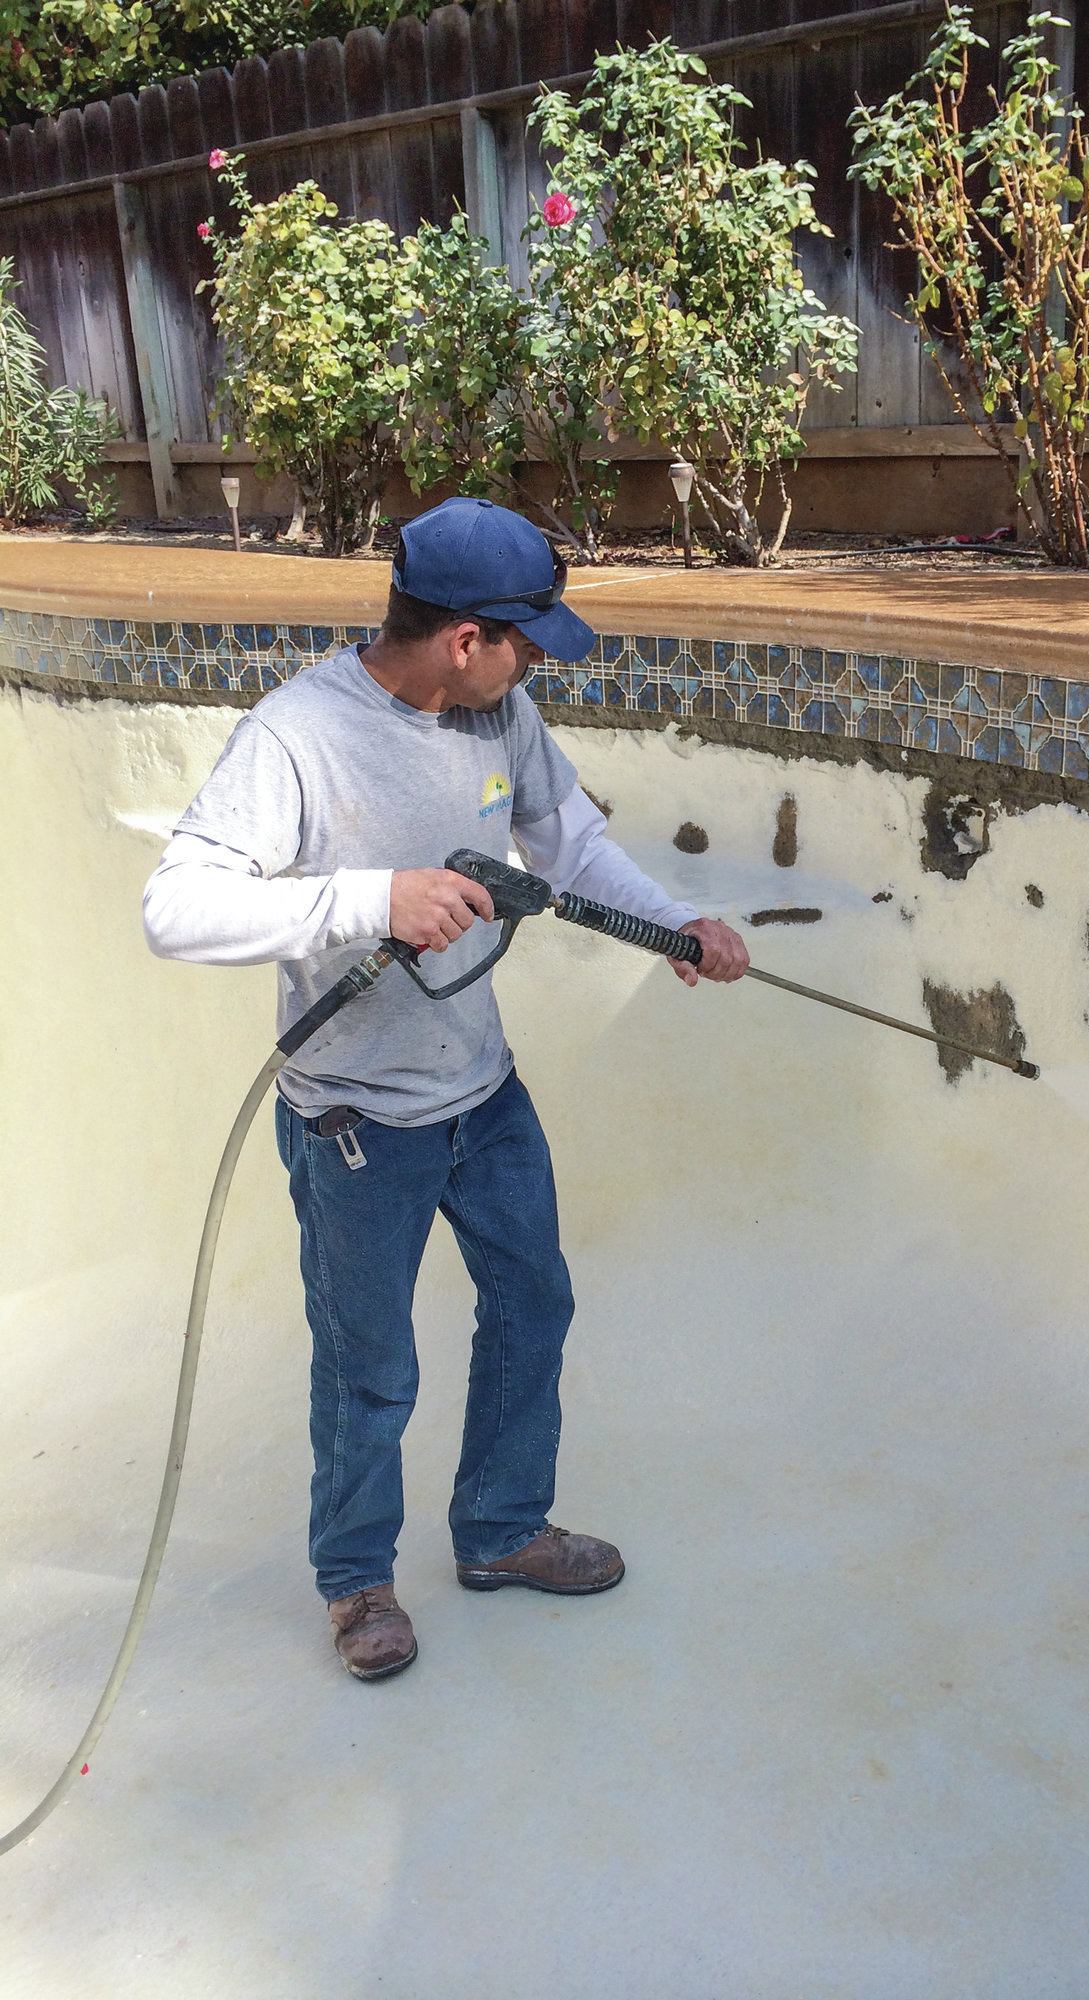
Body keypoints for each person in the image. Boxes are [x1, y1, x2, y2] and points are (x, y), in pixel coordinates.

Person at [142, 497, 749, 1682]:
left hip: (483, 1093)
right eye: (524, 640)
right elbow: (176, 908)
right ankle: (357, 1578)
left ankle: (502, 1530)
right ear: (464, 636)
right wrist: (372, 900)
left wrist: (673, 923)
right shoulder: (295, 737)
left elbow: (567, 840)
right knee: (369, 1364)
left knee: (535, 1303)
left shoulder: (499, 710)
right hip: (355, 1120)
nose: (536, 664)